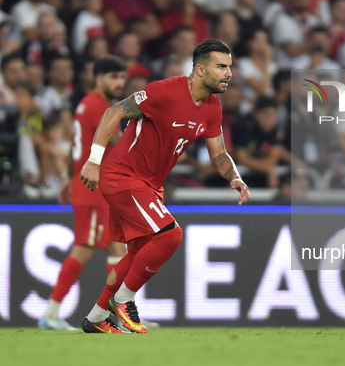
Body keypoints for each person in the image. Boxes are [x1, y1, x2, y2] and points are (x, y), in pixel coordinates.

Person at [79, 40, 250, 333]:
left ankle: (96, 317)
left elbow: (218, 153)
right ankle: (124, 300)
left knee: (138, 252)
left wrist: (234, 176)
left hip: (147, 185)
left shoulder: (211, 107)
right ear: (199, 69)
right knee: (169, 236)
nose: (228, 73)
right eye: (221, 66)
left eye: (229, 67)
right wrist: (94, 161)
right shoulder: (164, 91)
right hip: (123, 177)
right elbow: (113, 113)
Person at [38, 56, 128, 330]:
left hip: (94, 186)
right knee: (83, 250)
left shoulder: (86, 104)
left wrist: (68, 177)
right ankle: (51, 312)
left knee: (117, 247)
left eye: (122, 77)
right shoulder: (100, 107)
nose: (119, 83)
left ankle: (121, 314)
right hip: (93, 189)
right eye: (113, 77)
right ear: (97, 78)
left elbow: (81, 146)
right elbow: (119, 143)